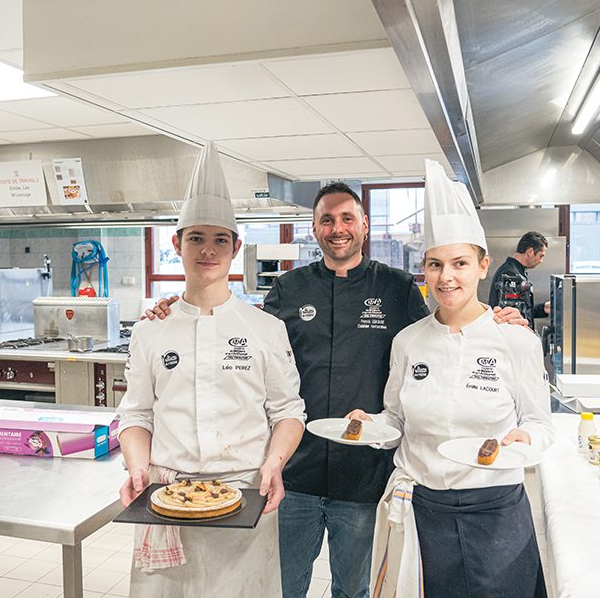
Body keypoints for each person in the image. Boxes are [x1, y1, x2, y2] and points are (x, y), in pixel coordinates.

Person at [145, 182, 527, 598]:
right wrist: (175, 311)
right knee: (284, 586)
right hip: (294, 473)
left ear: (364, 225)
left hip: (363, 478)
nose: (337, 228)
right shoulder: (289, 290)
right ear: (314, 229)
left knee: (353, 589)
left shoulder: (397, 288)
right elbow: (236, 339)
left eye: (347, 218)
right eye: (327, 219)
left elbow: (440, 333)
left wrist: (493, 320)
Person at [347, 160, 553, 598]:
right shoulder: (408, 341)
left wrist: (525, 441)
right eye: (435, 264)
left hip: (495, 507)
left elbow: (541, 425)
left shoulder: (514, 340)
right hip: (422, 507)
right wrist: (371, 426)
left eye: (459, 263)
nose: (446, 277)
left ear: (482, 266)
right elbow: (395, 420)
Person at [117, 143, 306, 597]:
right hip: (165, 498)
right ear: (176, 243)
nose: (208, 250)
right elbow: (136, 415)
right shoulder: (151, 331)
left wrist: (275, 464)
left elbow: (288, 412)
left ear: (236, 247)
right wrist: (138, 468)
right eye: (196, 238)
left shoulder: (265, 328)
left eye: (220, 239)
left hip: (245, 495)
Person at [487, 230, 550, 331]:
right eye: (541, 256)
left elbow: (520, 311)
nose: (541, 261)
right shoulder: (510, 275)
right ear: (530, 252)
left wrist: (543, 308)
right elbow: (510, 317)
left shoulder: (516, 271)